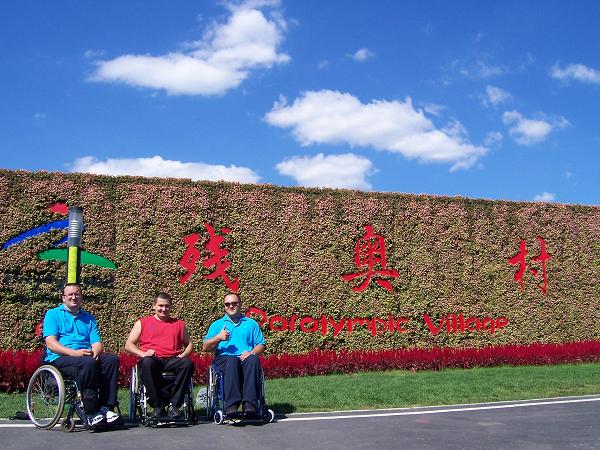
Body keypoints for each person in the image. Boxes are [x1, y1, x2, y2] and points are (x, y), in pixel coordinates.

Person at [43, 283, 120, 427]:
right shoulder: (53, 314)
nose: (74, 297)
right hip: (60, 357)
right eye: (70, 294)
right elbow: (51, 343)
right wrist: (75, 353)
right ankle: (91, 411)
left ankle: (106, 407)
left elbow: (97, 343)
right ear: (63, 298)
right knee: (88, 363)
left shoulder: (89, 318)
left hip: (84, 356)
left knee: (111, 359)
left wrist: (96, 352)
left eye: (77, 294)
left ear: (81, 297)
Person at [125, 292, 194, 420]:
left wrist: (183, 355)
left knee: (187, 364)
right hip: (153, 358)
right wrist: (143, 354)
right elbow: (129, 344)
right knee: (146, 363)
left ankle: (174, 405)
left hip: (172, 358)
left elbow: (189, 344)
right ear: (154, 306)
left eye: (167, 306)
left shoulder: (179, 324)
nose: (163, 309)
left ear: (171, 307)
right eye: (160, 306)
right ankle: (158, 406)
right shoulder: (142, 323)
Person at [202, 293, 266, 416]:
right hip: (224, 360)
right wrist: (218, 338)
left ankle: (250, 404)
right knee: (232, 360)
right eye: (227, 304)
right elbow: (205, 347)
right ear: (224, 306)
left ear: (240, 304)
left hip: (246, 358)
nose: (231, 306)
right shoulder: (217, 324)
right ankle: (231, 405)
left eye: (234, 303)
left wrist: (251, 352)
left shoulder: (251, 323)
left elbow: (261, 344)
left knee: (253, 359)